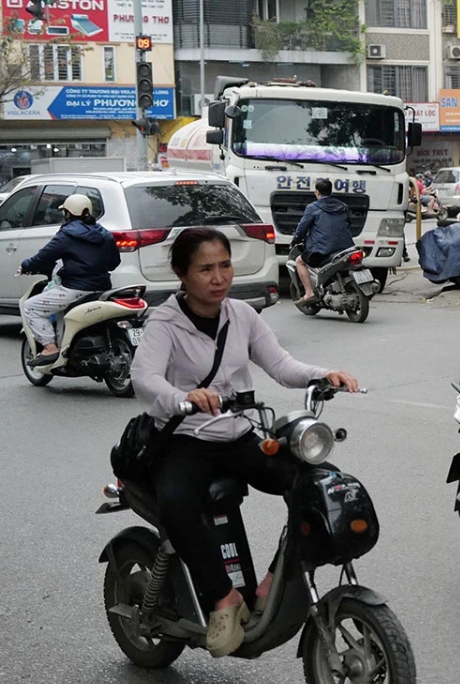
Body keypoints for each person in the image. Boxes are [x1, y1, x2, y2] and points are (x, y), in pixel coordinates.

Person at [131, 226, 358, 658]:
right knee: (177, 503)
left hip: (237, 435)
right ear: (181, 274)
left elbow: (281, 365)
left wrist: (322, 374)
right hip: (184, 440)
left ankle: (275, 578)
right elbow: (145, 379)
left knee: (318, 481)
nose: (218, 278)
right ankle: (223, 598)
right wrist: (183, 398)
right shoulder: (164, 322)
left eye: (224, 266)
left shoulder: (242, 315)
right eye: (205, 269)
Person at [20, 194, 120, 366]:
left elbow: (44, 256)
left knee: (30, 306)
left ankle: (50, 348)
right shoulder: (105, 235)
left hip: (74, 289)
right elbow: (114, 263)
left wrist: (26, 265)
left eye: (64, 212)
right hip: (102, 288)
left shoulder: (67, 234)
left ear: (69, 213)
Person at [292, 178, 355, 305]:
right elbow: (349, 223)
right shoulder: (342, 206)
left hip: (323, 250)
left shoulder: (312, 207)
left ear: (317, 192)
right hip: (346, 247)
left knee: (299, 261)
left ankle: (309, 293)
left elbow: (302, 228)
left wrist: (295, 240)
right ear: (331, 191)